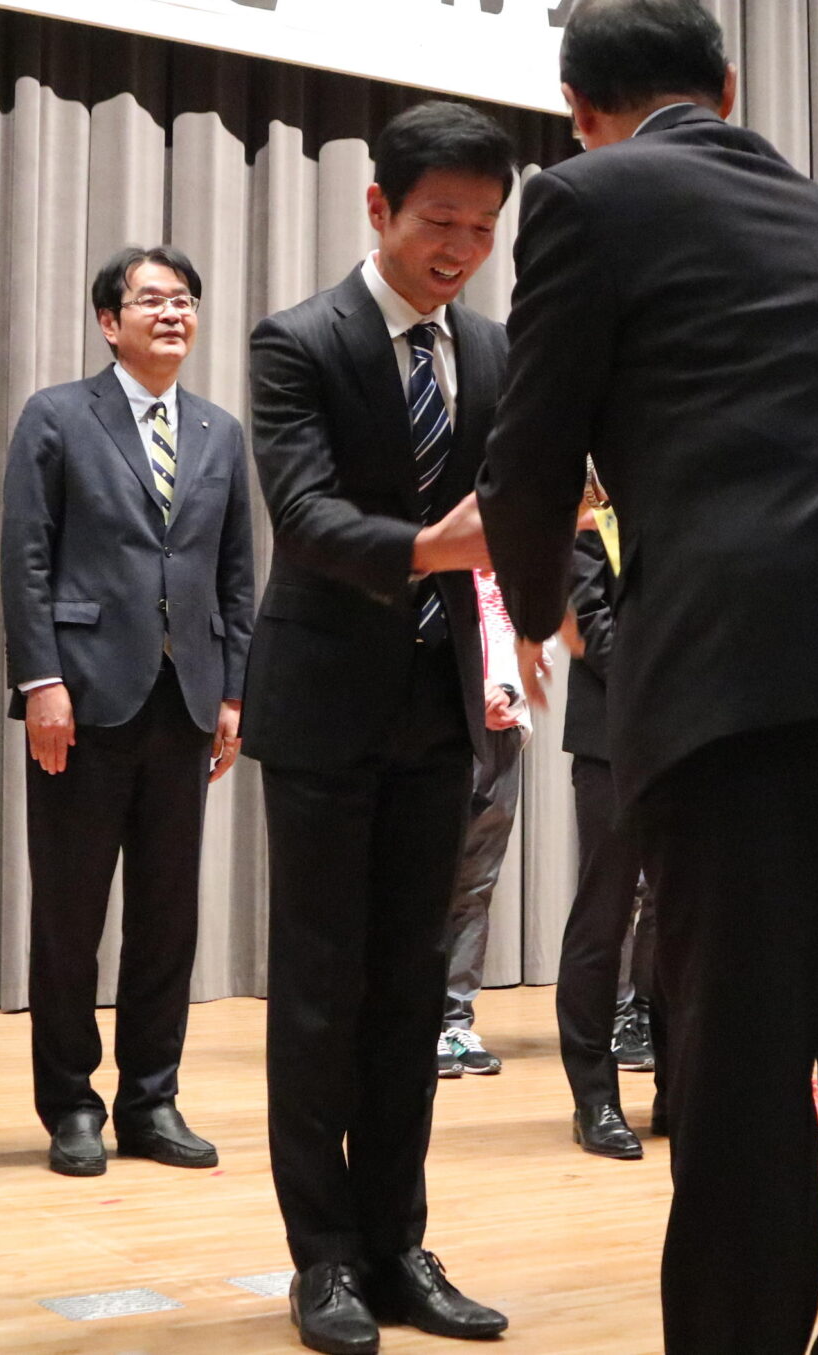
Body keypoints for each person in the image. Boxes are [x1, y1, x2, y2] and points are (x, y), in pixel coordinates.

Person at [479, 0, 818, 1355]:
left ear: (580, 115)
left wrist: (537, 610)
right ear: (732, 83)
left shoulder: (587, 199)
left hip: (748, 672)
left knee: (743, 1067)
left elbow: (531, 458)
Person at [244, 100, 516, 1354]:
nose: (458, 247)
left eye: (480, 226)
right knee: (317, 993)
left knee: (413, 990)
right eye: (436, 223)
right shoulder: (300, 339)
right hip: (320, 713)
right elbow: (299, 518)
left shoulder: (496, 352)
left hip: (435, 710)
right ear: (377, 209)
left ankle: (400, 1241)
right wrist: (431, 547)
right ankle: (325, 1259)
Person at [3, 244, 255, 1177]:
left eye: (184, 300)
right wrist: (40, 681)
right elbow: (24, 558)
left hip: (185, 700)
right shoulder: (58, 416)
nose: (172, 314)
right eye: (152, 300)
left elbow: (236, 572)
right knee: (70, 915)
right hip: (82, 696)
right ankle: (71, 1102)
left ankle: (153, 1098)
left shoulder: (220, 432)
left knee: (168, 915)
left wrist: (234, 688)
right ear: (109, 320)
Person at [550, 514, 652, 1158]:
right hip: (615, 743)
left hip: (694, 742)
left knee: (684, 922)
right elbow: (592, 628)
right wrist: (671, 686)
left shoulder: (693, 507)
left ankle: (682, 1086)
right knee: (604, 915)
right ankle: (594, 1098)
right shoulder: (596, 525)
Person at [436, 571, 529, 1078]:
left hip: (504, 732)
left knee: (477, 883)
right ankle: (418, 1019)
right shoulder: (432, 540)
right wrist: (472, 694)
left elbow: (536, 637)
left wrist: (507, 691)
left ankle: (456, 1018)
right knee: (427, 880)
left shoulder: (514, 552)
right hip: (444, 723)